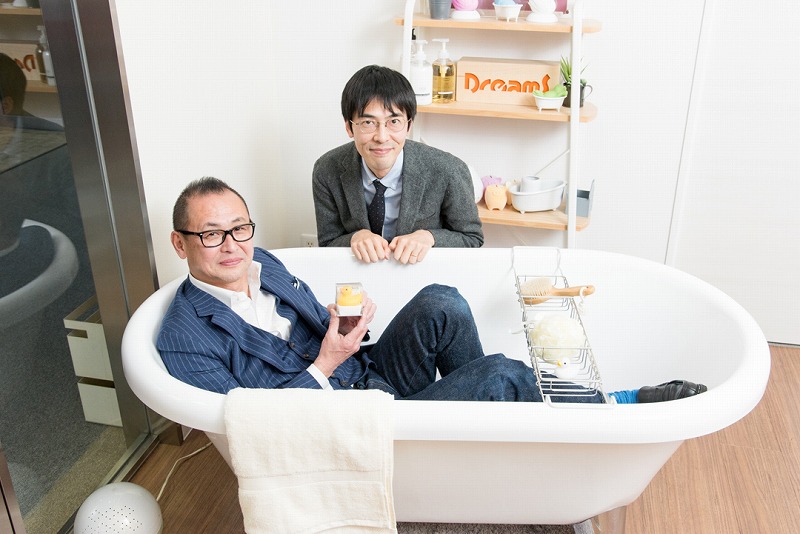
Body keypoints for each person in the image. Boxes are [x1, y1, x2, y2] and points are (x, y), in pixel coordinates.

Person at [158, 177, 707, 405]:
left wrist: (339, 327)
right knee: (500, 375)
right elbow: (251, 428)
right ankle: (608, 407)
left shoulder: (264, 262)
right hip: (345, 417)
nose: (231, 245)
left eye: (239, 227)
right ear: (181, 245)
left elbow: (311, 326)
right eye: (211, 234)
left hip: (366, 374)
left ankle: (480, 426)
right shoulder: (184, 337)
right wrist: (326, 363)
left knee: (442, 299)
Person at [312, 65, 483, 265]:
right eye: (368, 123)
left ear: (409, 126)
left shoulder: (448, 170)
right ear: (349, 127)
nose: (382, 137)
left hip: (423, 274)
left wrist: (430, 237)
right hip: (358, 275)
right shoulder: (326, 170)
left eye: (394, 121)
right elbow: (327, 243)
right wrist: (354, 238)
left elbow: (473, 239)